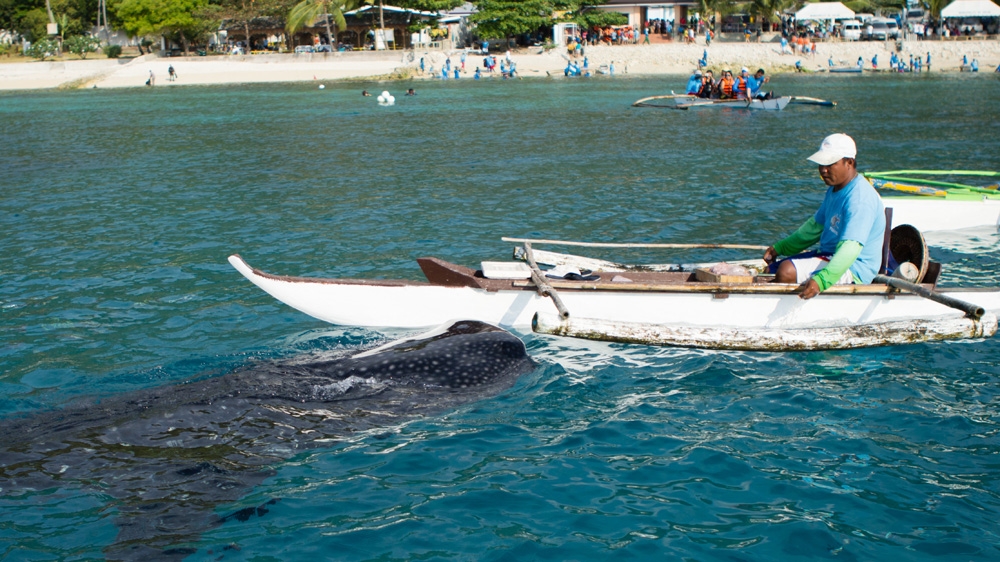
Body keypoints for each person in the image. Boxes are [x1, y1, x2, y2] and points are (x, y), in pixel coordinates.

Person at [764, 134, 886, 300]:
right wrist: (780, 248)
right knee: (770, 270)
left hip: (854, 268)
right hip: (829, 254)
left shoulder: (860, 199)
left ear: (849, 163)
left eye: (830, 164)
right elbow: (813, 228)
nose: (823, 169)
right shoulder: (835, 189)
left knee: (786, 272)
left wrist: (822, 280)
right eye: (821, 163)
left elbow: (850, 249)